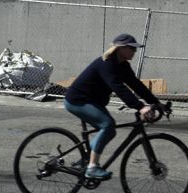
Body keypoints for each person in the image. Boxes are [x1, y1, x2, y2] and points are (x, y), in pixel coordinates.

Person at [63, 33, 162, 180]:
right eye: (132, 48)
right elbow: (118, 87)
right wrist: (140, 106)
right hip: (77, 101)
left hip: (93, 102)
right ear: (121, 48)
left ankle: (85, 160)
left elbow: (136, 85)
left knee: (109, 130)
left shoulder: (123, 65)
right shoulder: (107, 64)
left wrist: (156, 102)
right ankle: (92, 167)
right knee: (108, 125)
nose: (135, 51)